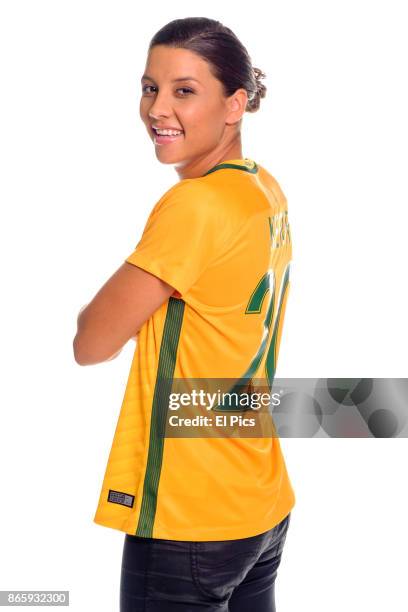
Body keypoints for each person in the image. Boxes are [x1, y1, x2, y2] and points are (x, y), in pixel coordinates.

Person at [73, 16, 295, 612]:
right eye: (150, 87)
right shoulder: (263, 190)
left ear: (236, 103)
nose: (157, 108)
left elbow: (90, 342)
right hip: (258, 505)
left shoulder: (193, 207)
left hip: (187, 517)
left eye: (184, 90)